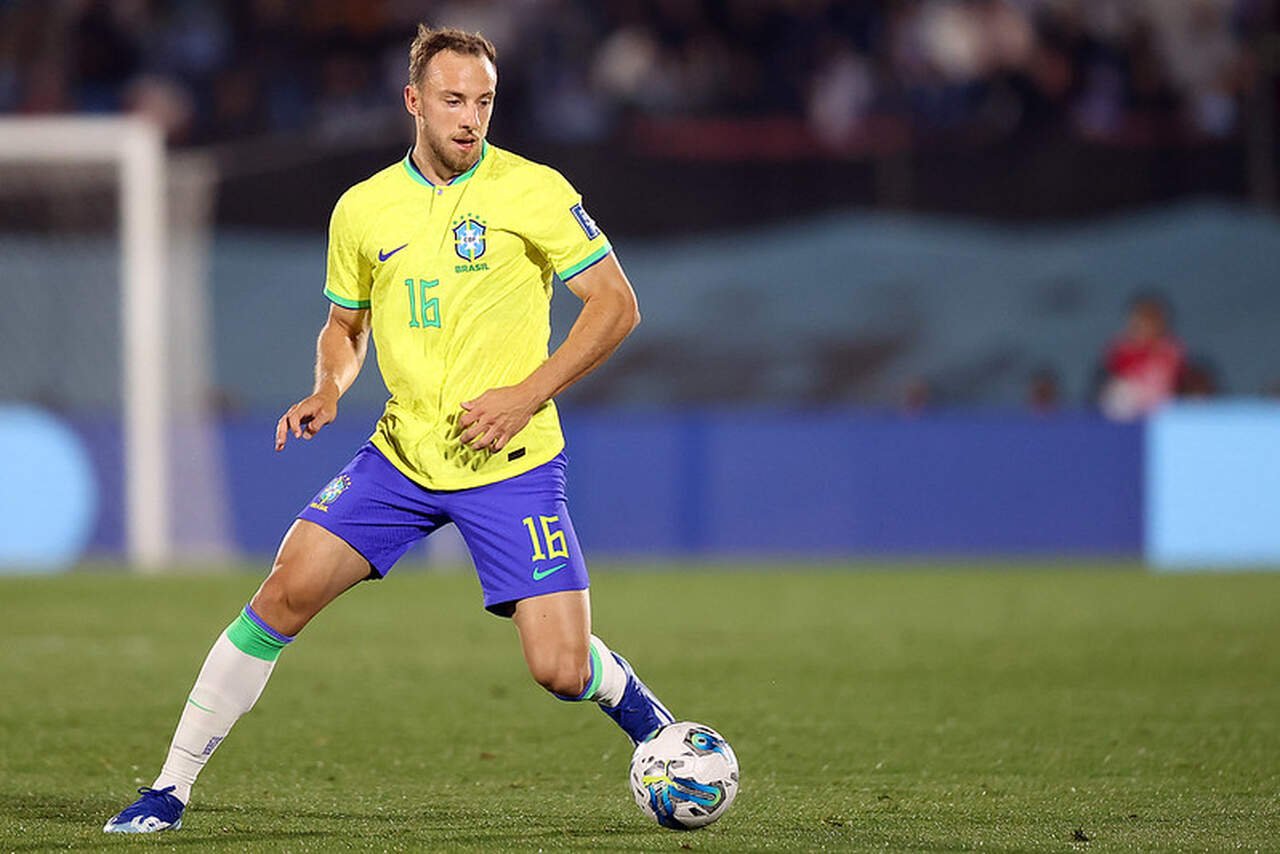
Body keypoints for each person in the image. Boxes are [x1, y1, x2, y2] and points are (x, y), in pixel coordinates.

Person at [104, 25, 673, 834]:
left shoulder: (535, 191)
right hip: (401, 457)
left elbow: (617, 306)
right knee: (282, 593)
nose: (469, 118)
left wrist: (525, 393)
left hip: (509, 460)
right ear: (414, 101)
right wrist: (327, 388)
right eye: (452, 100)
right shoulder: (365, 209)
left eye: (483, 101)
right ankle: (169, 788)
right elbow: (345, 325)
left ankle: (651, 724)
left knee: (558, 667)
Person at [1097, 294, 1186, 421]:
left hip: (1165, 414)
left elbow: (1181, 389)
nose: (1146, 325)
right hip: (1127, 415)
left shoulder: (1172, 351)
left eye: (1151, 319)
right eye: (1141, 319)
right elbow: (1104, 390)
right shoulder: (1120, 350)